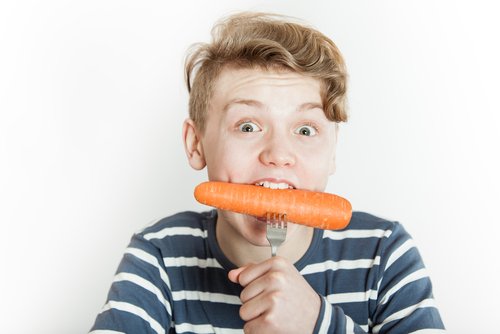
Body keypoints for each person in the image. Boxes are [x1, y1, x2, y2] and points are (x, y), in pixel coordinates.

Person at [90, 12, 445, 334]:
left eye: (305, 130)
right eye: (248, 126)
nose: (278, 154)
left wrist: (317, 324)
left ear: (333, 150)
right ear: (196, 144)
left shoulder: (382, 253)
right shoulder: (161, 255)